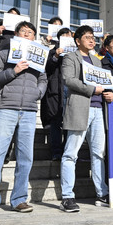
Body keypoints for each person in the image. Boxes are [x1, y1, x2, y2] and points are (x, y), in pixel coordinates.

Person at [0, 21, 48, 216]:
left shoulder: (39, 59)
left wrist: (38, 93)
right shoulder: (4, 55)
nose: (28, 35)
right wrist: (13, 71)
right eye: (24, 32)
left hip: (28, 110)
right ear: (16, 35)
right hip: (6, 108)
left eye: (31, 33)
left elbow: (43, 79)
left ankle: (19, 199)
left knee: (26, 157)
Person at [60, 26, 113, 213]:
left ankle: (102, 193)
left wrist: (109, 93)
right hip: (80, 108)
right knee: (71, 153)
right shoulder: (71, 57)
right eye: (87, 37)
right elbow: (68, 79)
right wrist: (92, 90)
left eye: (93, 38)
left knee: (98, 154)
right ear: (78, 41)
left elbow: (104, 84)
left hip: (97, 110)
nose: (92, 40)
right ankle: (67, 196)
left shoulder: (97, 60)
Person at [42, 27, 73, 160]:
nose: (69, 37)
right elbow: (46, 68)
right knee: (55, 122)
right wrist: (55, 56)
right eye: (66, 35)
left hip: (70, 90)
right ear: (60, 38)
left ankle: (67, 151)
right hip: (55, 91)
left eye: (70, 35)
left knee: (69, 122)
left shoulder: (75, 53)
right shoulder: (52, 51)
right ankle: (56, 152)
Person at [0, 7, 20, 122]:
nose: (13, 16)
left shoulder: (20, 32)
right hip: (2, 62)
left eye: (15, 15)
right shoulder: (0, 29)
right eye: (10, 14)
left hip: (16, 63)